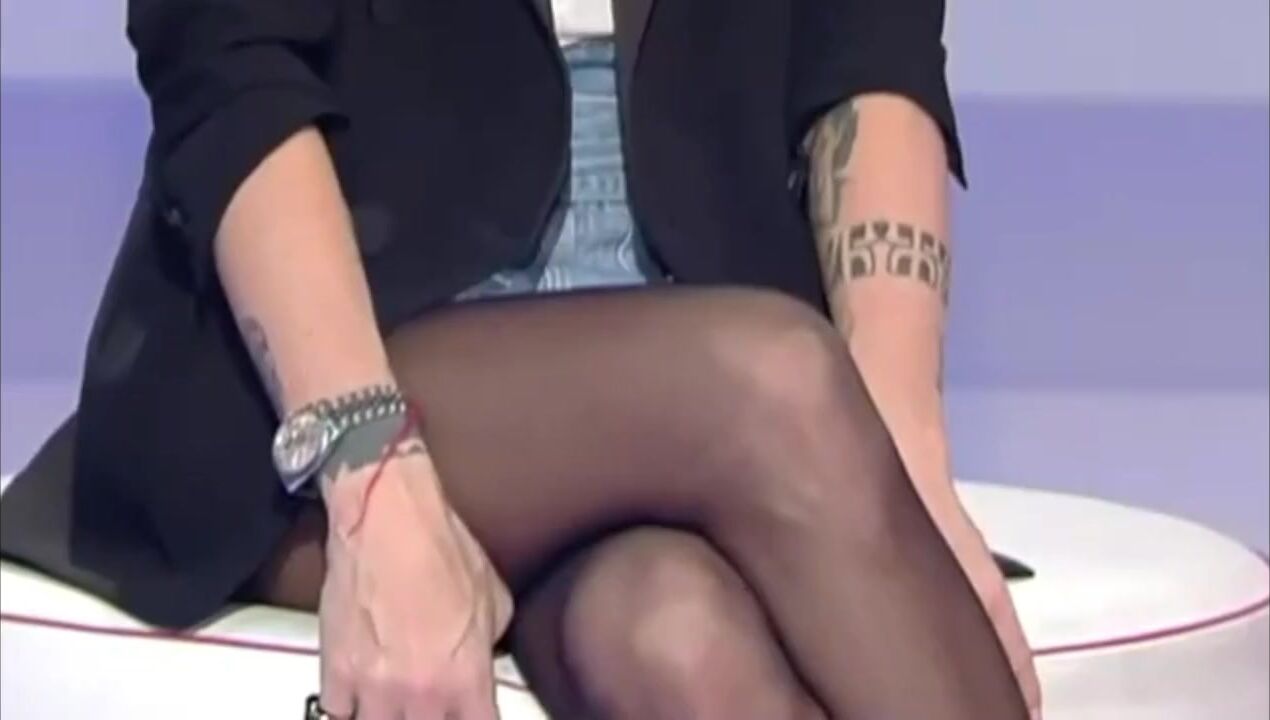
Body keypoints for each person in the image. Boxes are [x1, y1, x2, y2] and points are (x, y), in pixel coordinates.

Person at [0, 1, 1043, 718]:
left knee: (675, 638)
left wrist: (894, 456)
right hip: (354, 339)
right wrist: (369, 476)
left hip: (695, 321)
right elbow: (229, 76)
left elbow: (870, 49)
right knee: (773, 383)